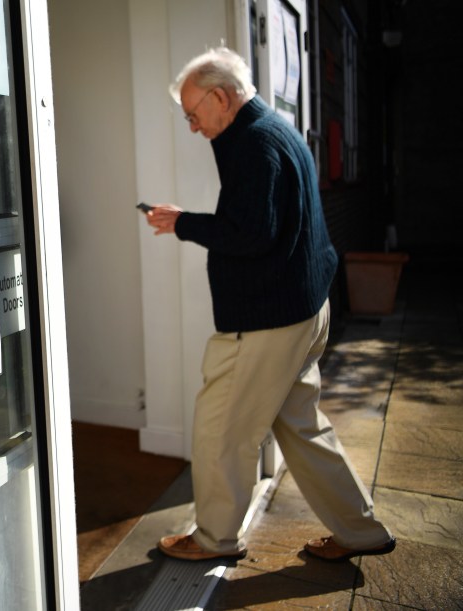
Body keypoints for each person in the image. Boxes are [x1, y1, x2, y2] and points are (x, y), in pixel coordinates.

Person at [146, 47, 396, 562]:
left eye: (194, 114)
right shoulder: (275, 130)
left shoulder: (255, 144)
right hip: (303, 307)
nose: (193, 127)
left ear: (221, 97)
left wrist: (183, 222)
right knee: (303, 429)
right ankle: (361, 531)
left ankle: (214, 539)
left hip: (267, 320)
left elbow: (250, 233)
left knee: (220, 429)